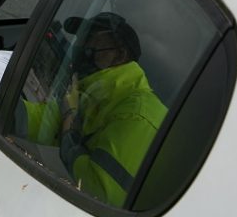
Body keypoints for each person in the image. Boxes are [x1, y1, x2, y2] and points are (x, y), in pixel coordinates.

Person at [18, 12, 166, 207]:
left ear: (120, 54)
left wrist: (69, 121)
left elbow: (98, 191)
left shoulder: (138, 114)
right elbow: (42, 119)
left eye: (91, 41)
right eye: (81, 39)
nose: (81, 47)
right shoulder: (91, 93)